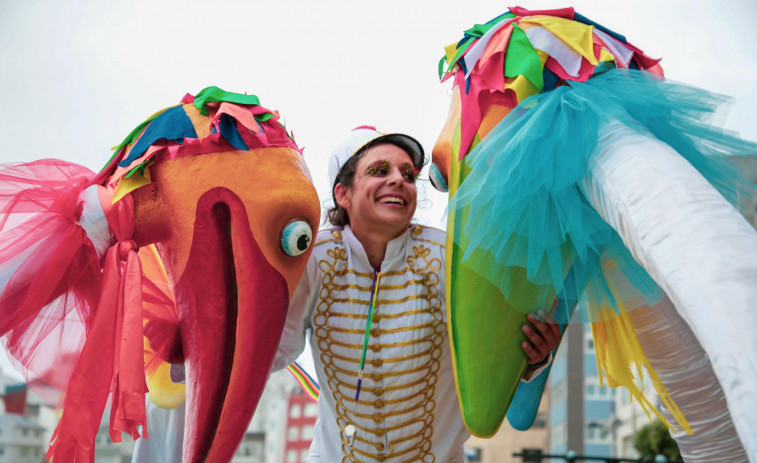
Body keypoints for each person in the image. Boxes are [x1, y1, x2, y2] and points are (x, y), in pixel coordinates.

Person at [273, 126, 561, 463]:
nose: (398, 180)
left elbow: (492, 347)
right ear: (343, 194)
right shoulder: (314, 260)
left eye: (408, 174)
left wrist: (535, 354)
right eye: (380, 171)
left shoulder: (448, 256)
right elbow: (272, 349)